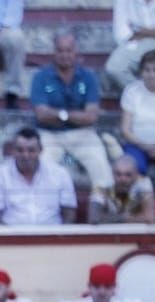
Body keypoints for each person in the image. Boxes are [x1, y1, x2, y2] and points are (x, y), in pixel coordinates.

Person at [31, 31, 114, 196]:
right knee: (42, 168)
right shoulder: (41, 77)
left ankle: (101, 206)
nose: (64, 55)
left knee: (101, 166)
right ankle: (45, 210)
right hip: (49, 135)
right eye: (60, 50)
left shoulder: (88, 77)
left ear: (76, 52)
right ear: (54, 52)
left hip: (83, 134)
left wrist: (60, 115)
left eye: (69, 50)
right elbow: (41, 115)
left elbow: (91, 117)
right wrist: (75, 116)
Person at [0, 127, 77, 225]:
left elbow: (69, 213)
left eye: (31, 150)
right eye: (20, 150)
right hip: (12, 233)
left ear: (40, 150)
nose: (26, 155)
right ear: (13, 150)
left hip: (52, 232)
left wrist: (61, 234)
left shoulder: (59, 174)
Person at [119, 49, 155, 175]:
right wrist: (146, 146)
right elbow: (125, 130)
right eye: (147, 70)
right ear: (141, 72)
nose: (151, 75)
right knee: (129, 168)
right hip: (136, 145)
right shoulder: (132, 91)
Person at [108, 0, 155, 90]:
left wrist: (141, 31)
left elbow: (135, 30)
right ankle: (141, 94)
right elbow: (121, 32)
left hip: (150, 40)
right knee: (114, 68)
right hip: (135, 43)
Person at [91, 154, 155, 223]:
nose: (123, 179)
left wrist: (113, 218)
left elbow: (150, 218)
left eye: (128, 175)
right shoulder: (102, 184)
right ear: (112, 173)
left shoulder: (143, 183)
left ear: (136, 174)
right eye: (118, 174)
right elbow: (93, 218)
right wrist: (123, 218)